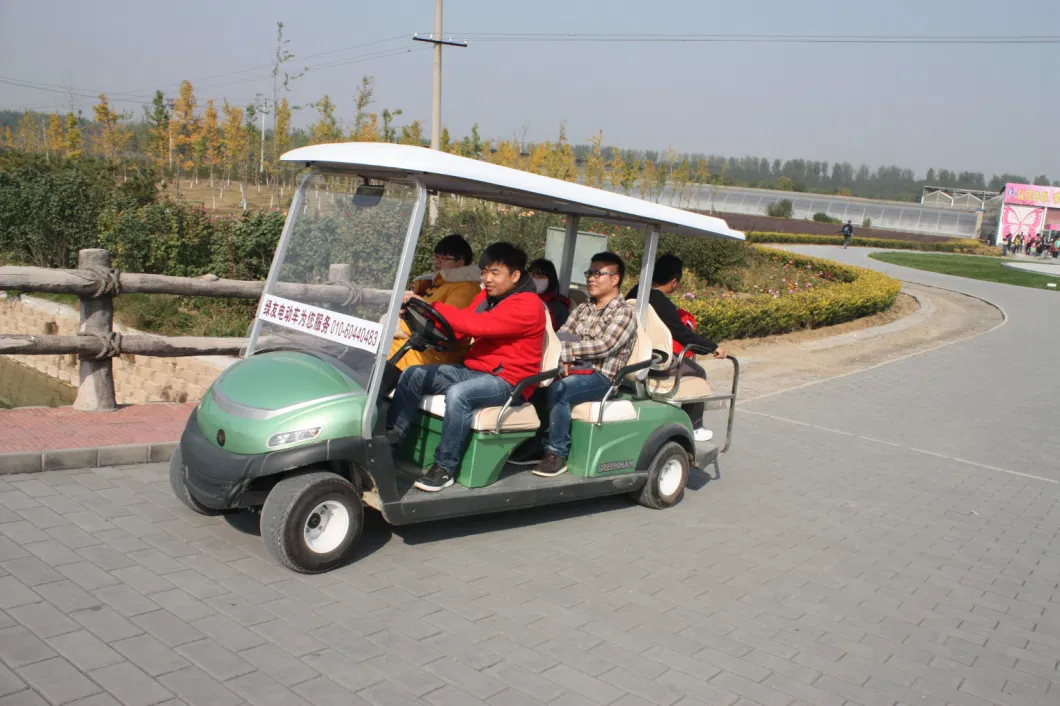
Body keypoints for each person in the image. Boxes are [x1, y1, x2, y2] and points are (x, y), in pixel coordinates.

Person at [386, 243, 545, 492]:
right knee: (414, 373)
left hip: (509, 381)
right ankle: (392, 439)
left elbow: (479, 326)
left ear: (515, 276)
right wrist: (427, 323)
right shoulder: (486, 298)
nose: (487, 279)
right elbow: (460, 329)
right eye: (484, 272)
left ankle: (445, 467)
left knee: (459, 394)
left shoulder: (528, 305)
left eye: (495, 272)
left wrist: (434, 308)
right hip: (475, 370)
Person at [513, 252, 638, 478]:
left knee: (559, 390)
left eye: (598, 274)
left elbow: (604, 346)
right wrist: (562, 358)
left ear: (615, 279)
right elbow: (562, 335)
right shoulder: (583, 308)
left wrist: (566, 354)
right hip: (575, 369)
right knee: (531, 383)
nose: (591, 278)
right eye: (590, 273)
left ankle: (557, 452)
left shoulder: (624, 312)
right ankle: (534, 440)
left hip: (603, 377)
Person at [626, 254, 726, 442]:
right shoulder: (661, 302)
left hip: (630, 352)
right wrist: (713, 347)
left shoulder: (636, 291)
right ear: (674, 282)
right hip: (653, 359)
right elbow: (683, 334)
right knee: (698, 371)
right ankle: (695, 426)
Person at [388, 234, 481, 370]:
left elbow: (447, 325)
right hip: (420, 342)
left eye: (445, 258)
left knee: (385, 358)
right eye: (437, 257)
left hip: (440, 351)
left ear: (460, 262)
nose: (438, 262)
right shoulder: (439, 282)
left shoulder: (465, 287)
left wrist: (402, 326)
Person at [528, 258, 571, 329]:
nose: (536, 279)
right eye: (533, 275)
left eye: (541, 276)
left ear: (551, 280)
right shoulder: (520, 298)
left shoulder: (560, 306)